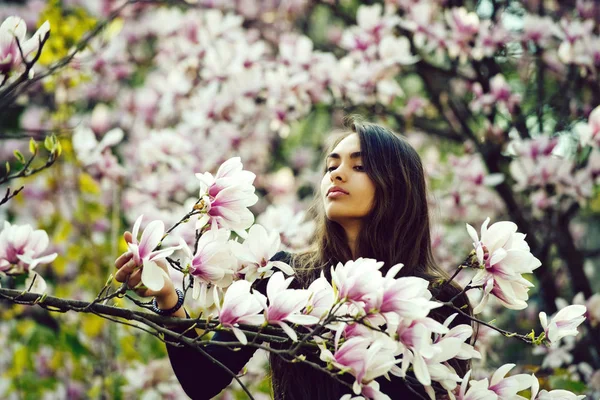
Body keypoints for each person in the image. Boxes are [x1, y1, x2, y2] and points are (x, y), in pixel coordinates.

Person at [114, 118, 473, 400]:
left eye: (359, 166)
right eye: (331, 165)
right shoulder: (283, 276)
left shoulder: (440, 299)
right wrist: (166, 297)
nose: (336, 173)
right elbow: (202, 379)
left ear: (396, 186)